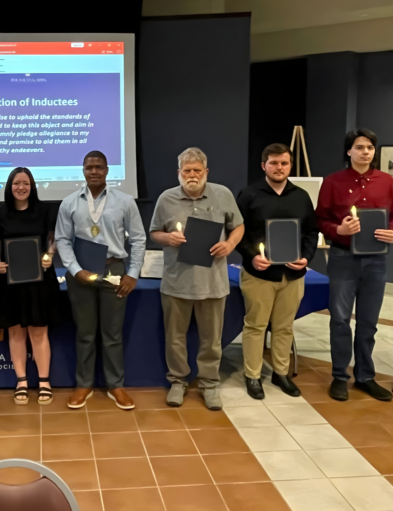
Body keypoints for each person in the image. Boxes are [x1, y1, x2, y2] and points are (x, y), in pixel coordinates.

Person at [150, 147, 244, 411]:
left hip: (213, 283)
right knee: (175, 338)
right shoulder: (166, 199)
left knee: (211, 339)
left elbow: (238, 225)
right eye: (187, 170)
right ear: (179, 172)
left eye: (197, 170)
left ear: (206, 172)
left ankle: (209, 384)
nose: (192, 175)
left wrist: (230, 244)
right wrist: (167, 238)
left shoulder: (222, 194)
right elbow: (154, 232)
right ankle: (177, 382)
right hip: (176, 283)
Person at [56, 150, 146, 410]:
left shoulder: (125, 201)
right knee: (84, 333)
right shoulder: (69, 202)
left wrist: (132, 273)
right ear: (82, 170)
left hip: (113, 270)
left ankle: (115, 385)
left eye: (98, 167)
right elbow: (62, 239)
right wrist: (74, 270)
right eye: (88, 167)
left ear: (107, 170)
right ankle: (83, 384)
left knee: (112, 334)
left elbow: (138, 239)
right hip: (80, 273)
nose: (93, 171)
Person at [316, 128, 393, 402]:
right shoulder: (332, 182)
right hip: (342, 259)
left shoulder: (386, 181)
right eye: (360, 147)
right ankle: (340, 376)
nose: (365, 152)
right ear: (349, 151)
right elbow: (320, 220)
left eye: (370, 148)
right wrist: (337, 230)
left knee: (368, 323)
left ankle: (365, 376)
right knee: (340, 320)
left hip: (376, 260)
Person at [235, 144, 319, 400]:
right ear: (264, 166)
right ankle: (252, 375)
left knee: (284, 327)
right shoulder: (249, 195)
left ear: (290, 166)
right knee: (256, 326)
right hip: (259, 274)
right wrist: (252, 257)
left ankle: (281, 373)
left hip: (292, 276)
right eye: (273, 163)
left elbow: (311, 232)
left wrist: (306, 257)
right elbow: (236, 233)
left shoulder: (302, 196)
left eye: (284, 163)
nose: (279, 168)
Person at [0, 167, 60, 406]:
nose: (21, 187)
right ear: (10, 187)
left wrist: (50, 255)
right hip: (10, 281)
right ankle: (21, 380)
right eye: (16, 183)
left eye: (26, 183)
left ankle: (44, 381)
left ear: (32, 186)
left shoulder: (45, 211)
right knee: (15, 331)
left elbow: (52, 239)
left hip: (39, 280)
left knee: (39, 331)